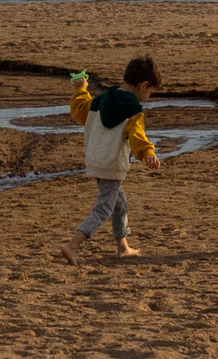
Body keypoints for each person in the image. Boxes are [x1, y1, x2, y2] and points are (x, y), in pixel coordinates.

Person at [58, 56, 162, 264]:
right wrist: (148, 153)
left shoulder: (101, 100)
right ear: (143, 85)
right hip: (112, 165)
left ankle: (123, 247)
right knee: (103, 209)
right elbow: (137, 135)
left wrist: (81, 89)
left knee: (119, 204)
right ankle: (73, 245)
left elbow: (80, 111)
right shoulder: (133, 109)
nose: (148, 96)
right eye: (150, 91)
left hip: (95, 161)